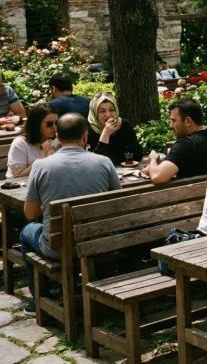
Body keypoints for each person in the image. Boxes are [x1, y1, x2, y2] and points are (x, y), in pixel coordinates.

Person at [21, 113, 121, 314]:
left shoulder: (41, 166)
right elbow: (116, 205)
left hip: (58, 248)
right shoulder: (104, 162)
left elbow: (30, 214)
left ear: (57, 137)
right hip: (98, 242)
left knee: (26, 232)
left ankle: (39, 298)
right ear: (85, 136)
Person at [145, 98, 207, 183]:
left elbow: (157, 176)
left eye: (174, 120)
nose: (171, 125)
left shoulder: (185, 145)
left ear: (188, 121)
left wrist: (153, 158)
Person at [87, 93, 142, 166]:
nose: (108, 115)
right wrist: (105, 134)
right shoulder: (88, 130)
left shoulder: (124, 125)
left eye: (112, 110)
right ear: (95, 113)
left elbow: (137, 155)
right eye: (102, 111)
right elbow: (96, 163)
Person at [6, 103, 57, 180]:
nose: (54, 127)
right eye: (49, 124)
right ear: (36, 125)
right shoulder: (21, 143)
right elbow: (17, 177)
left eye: (57, 123)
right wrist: (43, 157)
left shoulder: (58, 141)